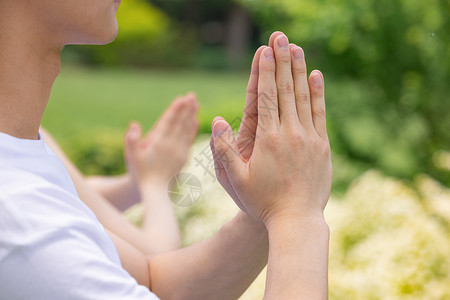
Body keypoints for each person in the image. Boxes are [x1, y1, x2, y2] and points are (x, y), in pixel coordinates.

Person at [0, 1, 332, 299]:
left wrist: (268, 210)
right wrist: (297, 216)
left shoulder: (21, 160)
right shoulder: (19, 224)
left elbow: (150, 282)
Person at [40, 93, 200, 256]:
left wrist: (134, 185)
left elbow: (68, 193)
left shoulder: (26, 132)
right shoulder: (24, 134)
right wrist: (156, 184)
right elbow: (158, 258)